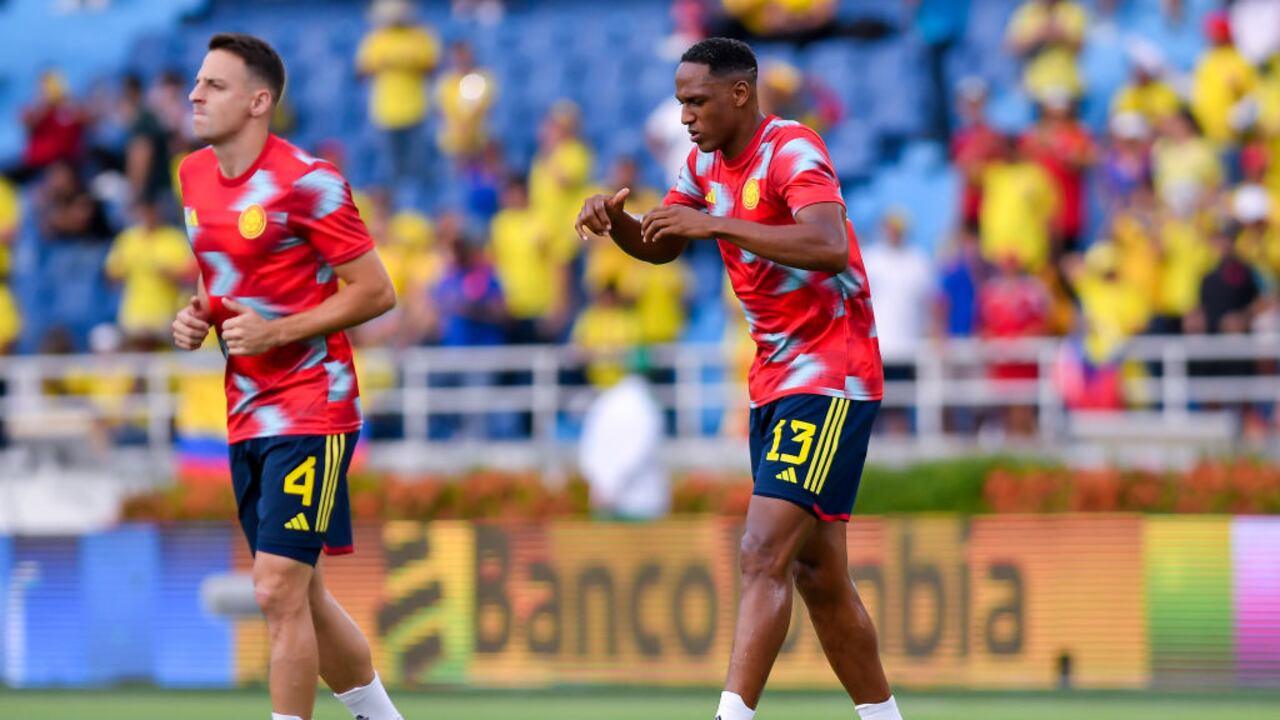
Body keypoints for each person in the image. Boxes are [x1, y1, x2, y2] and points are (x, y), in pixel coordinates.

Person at [575, 37, 898, 720]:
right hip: (775, 376)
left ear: (740, 94)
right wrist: (619, 224)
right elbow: (664, 244)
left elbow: (828, 243)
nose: (687, 116)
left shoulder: (793, 150)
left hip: (831, 370)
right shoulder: (701, 164)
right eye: (680, 102)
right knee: (818, 576)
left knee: (760, 552)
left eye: (696, 100)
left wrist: (715, 222)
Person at [169, 33, 401, 720]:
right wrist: (197, 317)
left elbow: (376, 292)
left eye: (213, 84)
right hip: (245, 408)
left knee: (275, 589)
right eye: (197, 82)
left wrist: (276, 332)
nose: (195, 94)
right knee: (302, 594)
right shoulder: (192, 178)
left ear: (258, 100)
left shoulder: (310, 182)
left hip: (314, 404)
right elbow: (226, 284)